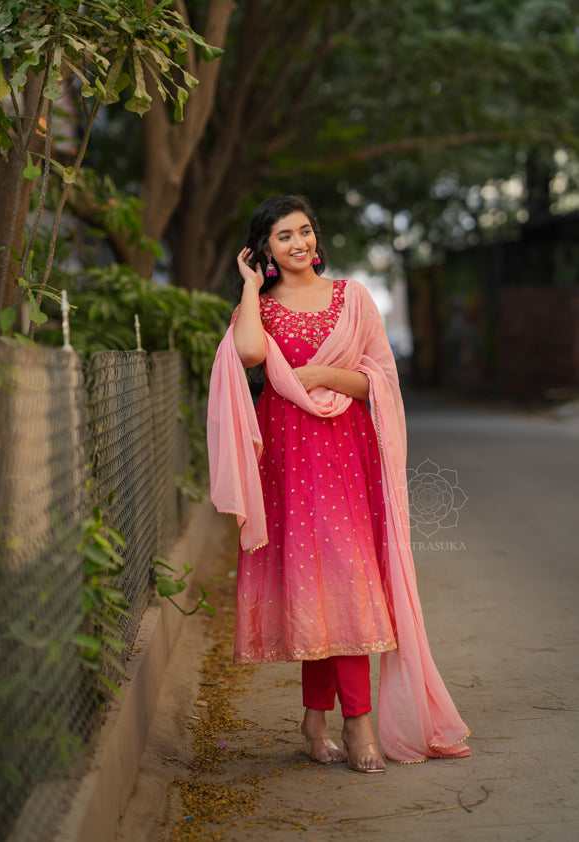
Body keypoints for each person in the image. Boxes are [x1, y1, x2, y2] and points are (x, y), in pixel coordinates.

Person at [207, 195, 470, 772]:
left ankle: (357, 724)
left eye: (304, 231)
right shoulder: (263, 305)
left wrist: (326, 373)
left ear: (315, 238)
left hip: (346, 453)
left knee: (348, 583)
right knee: (313, 585)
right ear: (265, 251)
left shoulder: (353, 297)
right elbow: (250, 354)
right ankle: (316, 719)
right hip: (288, 456)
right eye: (283, 237)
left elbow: (380, 378)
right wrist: (250, 288)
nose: (298, 243)